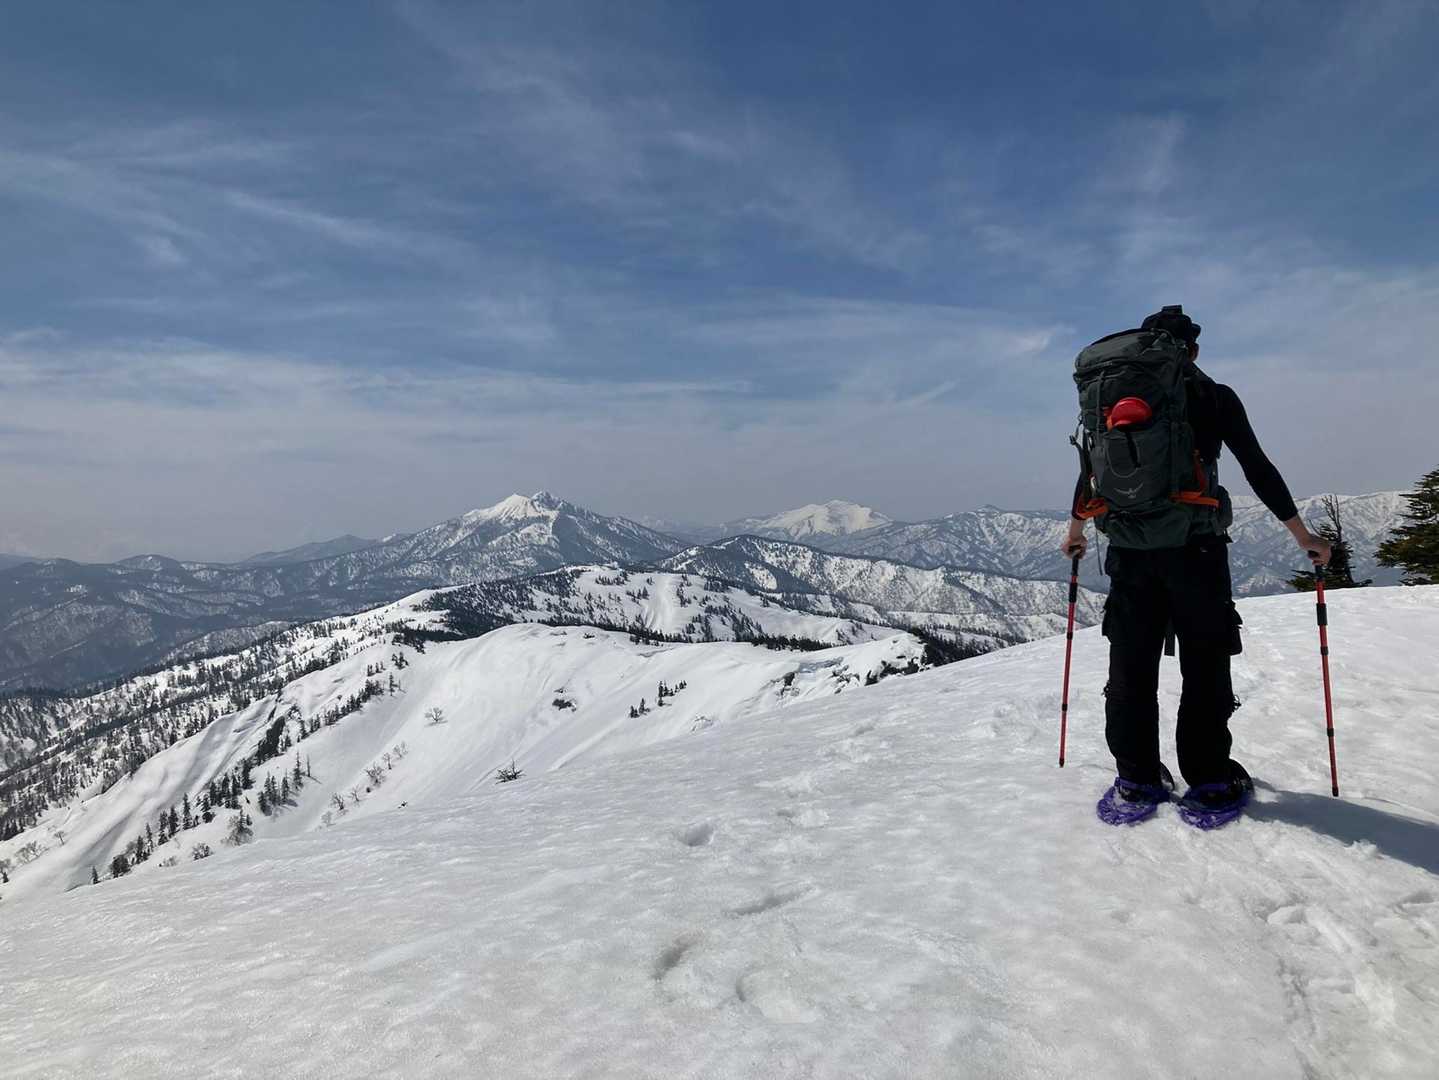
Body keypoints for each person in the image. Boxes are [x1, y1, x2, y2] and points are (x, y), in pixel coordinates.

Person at [1062, 305, 1331, 814]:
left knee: (1130, 665)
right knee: (1205, 665)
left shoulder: (1110, 398)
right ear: (1193, 350)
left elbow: (1090, 472)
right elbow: (1257, 467)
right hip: (1197, 551)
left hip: (1129, 551)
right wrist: (1303, 536)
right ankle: (1209, 781)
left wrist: (1075, 533)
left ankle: (1136, 780)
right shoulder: (1213, 396)